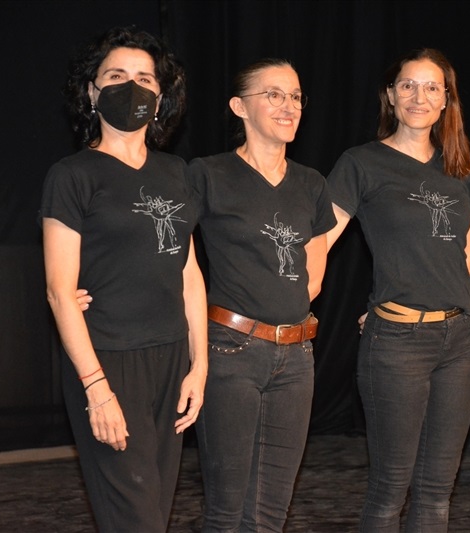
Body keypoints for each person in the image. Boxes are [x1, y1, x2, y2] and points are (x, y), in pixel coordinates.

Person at [40, 26, 207, 532]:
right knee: (134, 518)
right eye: (116, 76)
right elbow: (59, 292)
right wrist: (96, 388)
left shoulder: (176, 171)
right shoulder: (72, 175)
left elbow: (188, 272)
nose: (131, 87)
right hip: (107, 359)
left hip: (171, 359)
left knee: (154, 510)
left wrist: (199, 365)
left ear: (160, 99)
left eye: (144, 78)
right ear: (92, 92)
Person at [325, 48, 470, 532]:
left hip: (460, 340)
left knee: (437, 493)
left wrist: (422, 285)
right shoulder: (362, 163)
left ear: (446, 100)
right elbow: (319, 243)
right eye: (408, 85)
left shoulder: (460, 167)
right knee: (389, 492)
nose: (420, 96)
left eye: (432, 87)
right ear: (391, 96)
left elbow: (467, 260)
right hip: (398, 343)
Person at [188, 59, 336, 532]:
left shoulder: (311, 183)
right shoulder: (208, 174)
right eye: (273, 95)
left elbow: (313, 275)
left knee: (271, 512)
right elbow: (167, 253)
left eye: (295, 96)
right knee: (226, 511)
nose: (288, 106)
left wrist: (281, 320)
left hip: (296, 358)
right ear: (239, 107)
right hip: (230, 351)